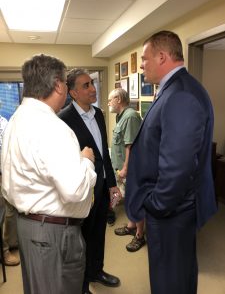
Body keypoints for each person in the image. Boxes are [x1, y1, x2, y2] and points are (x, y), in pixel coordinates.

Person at [125, 30, 217, 294]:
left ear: (162, 57)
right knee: (178, 276)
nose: (141, 65)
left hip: (170, 213)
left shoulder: (181, 95)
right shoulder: (174, 89)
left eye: (144, 59)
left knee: (170, 281)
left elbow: (178, 167)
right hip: (172, 210)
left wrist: (156, 206)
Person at [1, 54, 97, 294]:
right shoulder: (53, 128)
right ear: (57, 85)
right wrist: (86, 162)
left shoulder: (16, 119)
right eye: (65, 82)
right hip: (53, 234)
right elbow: (74, 190)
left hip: (30, 226)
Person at [58, 68, 121, 294]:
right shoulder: (63, 119)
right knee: (81, 240)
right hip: (82, 190)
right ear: (73, 93)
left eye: (92, 83)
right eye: (85, 85)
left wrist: (112, 183)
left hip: (102, 186)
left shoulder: (99, 114)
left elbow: (103, 152)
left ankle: (97, 271)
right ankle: (82, 284)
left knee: (98, 235)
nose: (93, 89)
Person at [108, 88, 145, 252]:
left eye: (110, 100)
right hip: (121, 169)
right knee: (129, 199)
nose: (109, 103)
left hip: (130, 169)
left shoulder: (130, 116)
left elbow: (132, 146)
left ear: (118, 99)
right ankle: (131, 226)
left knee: (136, 201)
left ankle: (139, 235)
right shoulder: (120, 116)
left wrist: (125, 168)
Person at [0, 114, 20, 266]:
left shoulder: (4, 122)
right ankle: (5, 252)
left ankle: (5, 249)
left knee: (5, 212)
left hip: (4, 173)